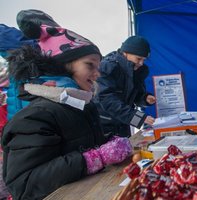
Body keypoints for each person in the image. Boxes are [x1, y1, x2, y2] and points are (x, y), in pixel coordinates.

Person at [1, 9, 132, 200]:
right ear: (63, 65)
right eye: (90, 65)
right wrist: (95, 158)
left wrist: (107, 142)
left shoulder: (80, 105)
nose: (98, 74)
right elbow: (24, 184)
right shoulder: (34, 116)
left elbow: (77, 144)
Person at [94, 36, 156, 137]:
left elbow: (136, 95)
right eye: (139, 59)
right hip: (104, 125)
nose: (141, 63)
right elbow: (107, 100)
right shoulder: (107, 67)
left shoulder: (138, 70)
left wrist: (145, 99)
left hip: (123, 124)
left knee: (126, 150)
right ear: (125, 53)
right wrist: (138, 118)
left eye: (144, 60)